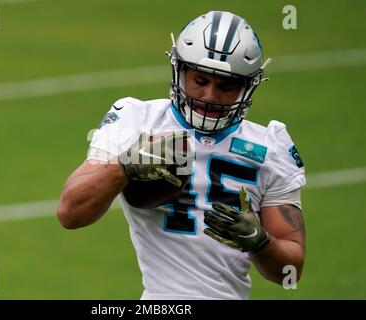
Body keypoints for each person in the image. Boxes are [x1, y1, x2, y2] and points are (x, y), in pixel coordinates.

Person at [57, 10, 306, 300]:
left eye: (226, 86)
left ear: (247, 86)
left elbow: (290, 272)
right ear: (180, 70)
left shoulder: (271, 146)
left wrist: (260, 242)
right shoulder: (137, 120)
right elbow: (70, 212)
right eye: (200, 80)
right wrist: (124, 167)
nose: (210, 96)